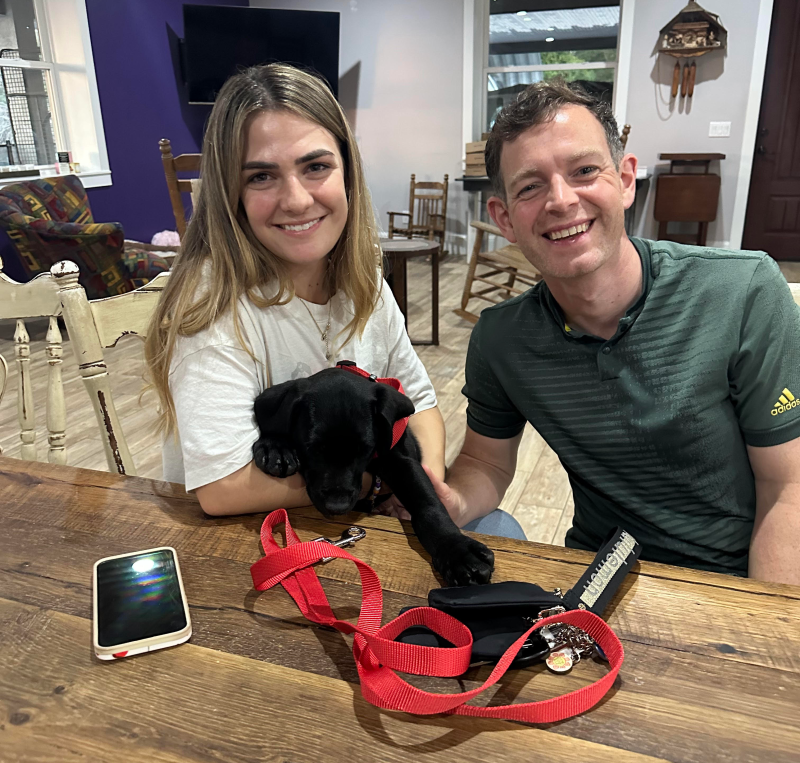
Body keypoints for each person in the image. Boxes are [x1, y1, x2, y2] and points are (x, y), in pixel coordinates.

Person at [425, 80, 800, 585]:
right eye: (530, 186)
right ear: (504, 219)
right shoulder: (501, 339)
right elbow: (485, 463)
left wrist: (760, 620)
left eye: (584, 171)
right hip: (598, 574)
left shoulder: (743, 291)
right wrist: (452, 500)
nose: (561, 200)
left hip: (732, 578)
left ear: (625, 181)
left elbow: (787, 487)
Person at [145, 64, 448, 516]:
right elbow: (224, 489)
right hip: (251, 539)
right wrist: (384, 484)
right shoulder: (213, 306)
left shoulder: (364, 281)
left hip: (356, 525)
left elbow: (419, 405)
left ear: (348, 172)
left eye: (316, 167)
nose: (297, 200)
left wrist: (426, 487)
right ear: (230, 193)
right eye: (261, 177)